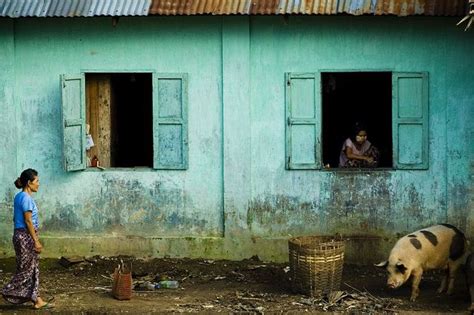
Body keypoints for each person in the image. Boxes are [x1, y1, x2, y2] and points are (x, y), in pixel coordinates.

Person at [1, 169, 53, 309]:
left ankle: (37, 300)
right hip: (26, 236)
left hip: (20, 235)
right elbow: (28, 221)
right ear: (29, 183)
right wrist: (35, 240)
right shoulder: (26, 198)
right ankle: (6, 291)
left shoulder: (19, 196)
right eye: (37, 181)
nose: (39, 184)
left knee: (32, 268)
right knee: (26, 271)